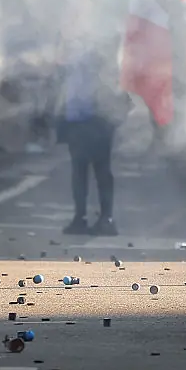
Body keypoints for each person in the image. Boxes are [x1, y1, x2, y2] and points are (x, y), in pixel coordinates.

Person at [53, 32, 132, 236]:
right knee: (93, 172)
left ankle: (94, 218)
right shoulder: (85, 65)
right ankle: (95, 218)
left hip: (92, 121)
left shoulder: (92, 66)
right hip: (86, 121)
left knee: (89, 172)